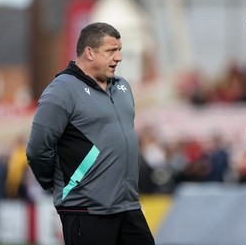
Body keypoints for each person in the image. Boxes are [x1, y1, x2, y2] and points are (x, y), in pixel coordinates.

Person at [26, 22, 155, 245]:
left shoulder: (123, 86)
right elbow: (38, 149)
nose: (119, 57)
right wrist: (58, 183)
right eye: (111, 51)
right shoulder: (62, 90)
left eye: (119, 50)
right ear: (89, 52)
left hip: (128, 206)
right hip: (86, 210)